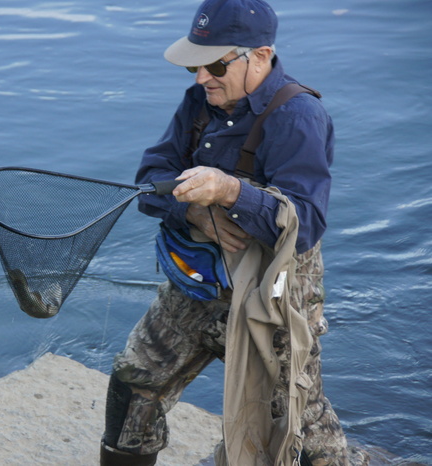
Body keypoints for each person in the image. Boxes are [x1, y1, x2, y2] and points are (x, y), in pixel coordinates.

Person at [100, 0, 370, 465]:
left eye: (216, 64)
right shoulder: (200, 101)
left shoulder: (299, 116)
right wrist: (196, 216)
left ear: (261, 55)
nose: (202, 78)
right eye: (195, 66)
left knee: (296, 423)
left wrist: (229, 192)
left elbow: (305, 224)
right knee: (135, 380)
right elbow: (151, 177)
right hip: (199, 282)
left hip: (275, 293)